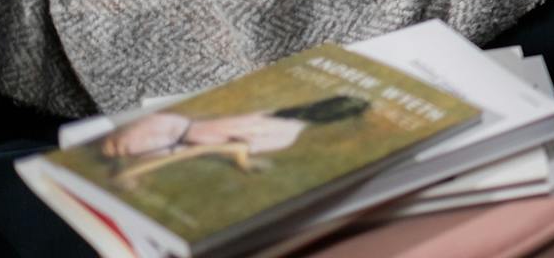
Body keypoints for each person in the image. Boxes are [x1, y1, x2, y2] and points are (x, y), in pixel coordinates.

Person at [100, 94, 370, 184]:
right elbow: (232, 146)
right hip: (171, 141)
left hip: (171, 125)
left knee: (111, 150)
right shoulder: (284, 135)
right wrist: (245, 164)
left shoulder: (277, 115)